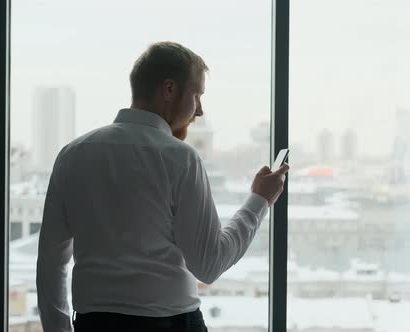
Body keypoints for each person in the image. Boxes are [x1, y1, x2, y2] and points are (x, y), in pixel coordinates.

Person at [36, 41, 289, 332]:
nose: (200, 111)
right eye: (197, 95)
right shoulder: (179, 158)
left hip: (95, 323)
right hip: (171, 323)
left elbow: (50, 262)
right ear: (169, 89)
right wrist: (259, 200)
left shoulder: (73, 155)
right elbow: (209, 264)